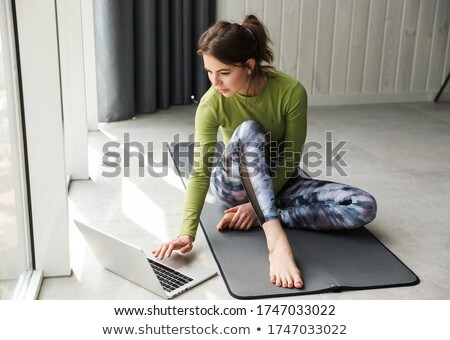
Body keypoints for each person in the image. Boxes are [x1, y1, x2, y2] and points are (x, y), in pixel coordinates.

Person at [153, 15, 377, 289]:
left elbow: (291, 159)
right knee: (249, 130)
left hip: (278, 184)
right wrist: (186, 234)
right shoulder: (212, 104)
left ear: (249, 65)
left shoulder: (290, 92)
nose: (215, 82)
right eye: (209, 72)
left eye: (223, 72)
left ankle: (265, 214)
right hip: (233, 186)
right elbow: (200, 173)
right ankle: (276, 241)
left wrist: (255, 206)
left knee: (362, 205)